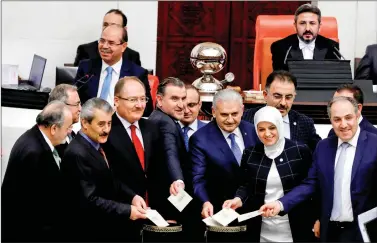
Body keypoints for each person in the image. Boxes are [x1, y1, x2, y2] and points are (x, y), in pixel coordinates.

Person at [260, 96, 377, 242]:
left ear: (358, 114)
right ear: (330, 120)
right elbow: (311, 183)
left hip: (365, 232)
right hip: (330, 232)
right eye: (337, 119)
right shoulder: (323, 147)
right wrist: (280, 203)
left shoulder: (374, 144)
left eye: (348, 118)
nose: (343, 124)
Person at [60, 98, 147, 242]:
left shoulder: (99, 145)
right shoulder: (77, 153)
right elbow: (89, 200)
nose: (106, 130)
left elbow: (111, 180)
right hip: (87, 232)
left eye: (109, 123)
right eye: (101, 124)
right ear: (85, 123)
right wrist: (127, 211)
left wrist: (133, 197)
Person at [223, 106, 314, 242]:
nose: (267, 134)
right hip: (261, 228)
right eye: (261, 129)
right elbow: (246, 185)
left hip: (295, 225)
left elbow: (309, 186)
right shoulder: (250, 153)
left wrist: (281, 204)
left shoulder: (299, 150)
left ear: (279, 125)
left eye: (272, 128)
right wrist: (238, 199)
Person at [101, 77, 163, 239]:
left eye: (143, 99)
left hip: (152, 217)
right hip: (120, 216)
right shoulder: (106, 131)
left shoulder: (151, 128)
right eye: (133, 99)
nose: (140, 105)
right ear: (116, 100)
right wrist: (131, 197)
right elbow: (107, 176)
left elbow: (156, 171)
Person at [2, 101, 72, 242]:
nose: (70, 131)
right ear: (53, 129)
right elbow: (39, 206)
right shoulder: (36, 154)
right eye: (68, 127)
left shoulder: (33, 135)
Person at [190, 89, 259, 219]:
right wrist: (205, 202)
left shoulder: (252, 130)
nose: (230, 120)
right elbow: (197, 178)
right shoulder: (200, 139)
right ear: (213, 112)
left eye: (234, 114)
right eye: (224, 114)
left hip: (252, 210)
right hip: (219, 212)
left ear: (242, 110)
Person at [74, 24, 153, 116]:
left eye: (111, 43)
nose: (104, 46)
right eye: (102, 41)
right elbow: (74, 98)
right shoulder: (86, 67)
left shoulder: (137, 73)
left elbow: (147, 109)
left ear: (123, 46)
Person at [243, 70, 321, 151]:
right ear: (265, 95)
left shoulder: (304, 123)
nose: (283, 103)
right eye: (277, 96)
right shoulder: (247, 118)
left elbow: (319, 153)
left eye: (288, 97)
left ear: (294, 96)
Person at [271, 3, 339, 71]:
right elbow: (279, 79)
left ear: (319, 26)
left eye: (312, 23)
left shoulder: (332, 47)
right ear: (295, 26)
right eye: (302, 23)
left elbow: (335, 77)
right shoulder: (280, 47)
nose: (307, 29)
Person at [74, 9, 141, 66]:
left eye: (113, 25)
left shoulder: (133, 56)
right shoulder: (85, 50)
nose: (108, 28)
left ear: (124, 30)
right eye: (105, 24)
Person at [48, 84, 81, 157]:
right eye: (77, 104)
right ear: (61, 106)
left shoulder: (72, 134)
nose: (80, 109)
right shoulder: (52, 142)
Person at [178, 84, 206, 151]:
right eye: (182, 106)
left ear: (199, 105)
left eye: (191, 105)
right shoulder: (167, 129)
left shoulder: (211, 131)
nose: (186, 111)